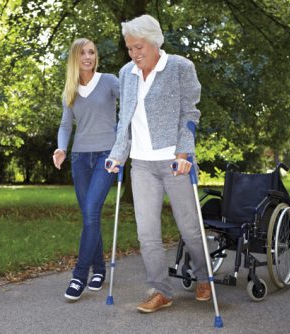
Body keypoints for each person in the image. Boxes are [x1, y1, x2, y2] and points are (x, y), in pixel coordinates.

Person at [105, 14, 210, 313]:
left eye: (139, 47)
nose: (135, 53)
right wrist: (117, 155)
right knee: (147, 233)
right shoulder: (127, 74)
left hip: (175, 162)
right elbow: (124, 120)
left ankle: (204, 277)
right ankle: (160, 290)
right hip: (141, 164)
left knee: (189, 228)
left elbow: (189, 114)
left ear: (154, 42)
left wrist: (184, 153)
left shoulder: (179, 67)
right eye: (130, 48)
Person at [53, 38, 120, 301]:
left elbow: (132, 104)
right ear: (75, 58)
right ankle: (100, 269)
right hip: (80, 159)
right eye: (83, 53)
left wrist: (122, 143)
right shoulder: (69, 90)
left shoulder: (110, 81)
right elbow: (65, 125)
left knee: (91, 211)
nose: (88, 57)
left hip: (106, 157)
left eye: (92, 52)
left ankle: (79, 275)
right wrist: (61, 148)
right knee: (89, 216)